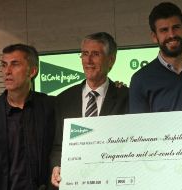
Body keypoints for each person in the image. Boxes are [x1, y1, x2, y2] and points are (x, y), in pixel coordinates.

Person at [50, 32, 129, 188]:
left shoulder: (126, 98)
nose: (88, 60)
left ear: (111, 60)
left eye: (95, 54)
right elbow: (58, 145)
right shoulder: (63, 100)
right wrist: (56, 166)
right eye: (84, 54)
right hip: (76, 183)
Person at [129, 2, 182, 113]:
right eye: (164, 30)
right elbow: (138, 127)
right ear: (154, 36)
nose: (171, 35)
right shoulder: (140, 80)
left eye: (176, 27)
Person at [0, 44, 55, 190]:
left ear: (33, 71)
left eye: (15, 64)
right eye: (4, 65)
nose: (7, 72)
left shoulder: (51, 106)